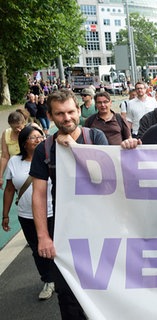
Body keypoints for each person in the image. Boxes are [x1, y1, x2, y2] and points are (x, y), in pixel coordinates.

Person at [31, 89, 108, 319]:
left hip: (100, 230)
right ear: (51, 116)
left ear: (79, 110)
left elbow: (103, 179)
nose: (67, 118)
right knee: (68, 296)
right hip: (64, 232)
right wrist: (43, 236)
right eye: (60, 114)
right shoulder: (43, 149)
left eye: (71, 112)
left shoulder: (95, 138)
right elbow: (39, 194)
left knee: (101, 290)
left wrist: (74, 150)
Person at [2, 126, 54, 300]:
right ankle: (48, 280)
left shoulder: (51, 157)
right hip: (27, 216)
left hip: (53, 212)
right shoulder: (14, 163)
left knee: (57, 247)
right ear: (24, 143)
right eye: (34, 138)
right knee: (38, 250)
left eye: (41, 137)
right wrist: (5, 215)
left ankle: (61, 278)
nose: (39, 140)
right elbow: (9, 190)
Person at [0, 110, 29, 189]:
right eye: (13, 128)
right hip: (14, 168)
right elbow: (4, 156)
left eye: (19, 127)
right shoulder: (6, 133)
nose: (17, 130)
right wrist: (0, 176)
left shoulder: (30, 132)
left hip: (29, 168)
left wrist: (23, 137)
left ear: (24, 123)